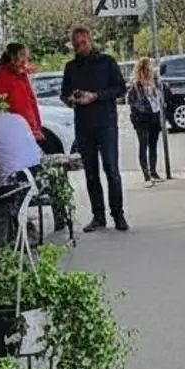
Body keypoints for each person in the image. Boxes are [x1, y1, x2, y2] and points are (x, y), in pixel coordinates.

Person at [60, 26, 127, 232]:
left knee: (111, 170)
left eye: (83, 42)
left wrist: (96, 96)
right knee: (91, 173)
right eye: (76, 44)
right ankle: (98, 216)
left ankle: (118, 215)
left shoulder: (106, 62)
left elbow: (120, 88)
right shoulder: (71, 67)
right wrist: (71, 99)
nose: (80, 47)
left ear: (90, 41)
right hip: (83, 125)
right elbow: (64, 93)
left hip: (106, 124)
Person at [0, 43, 44, 142]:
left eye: (26, 56)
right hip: (13, 128)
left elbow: (31, 103)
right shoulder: (0, 76)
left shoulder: (21, 75)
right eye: (22, 55)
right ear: (12, 56)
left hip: (27, 128)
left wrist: (36, 128)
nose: (25, 59)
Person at [128, 57, 166, 186]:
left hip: (154, 116)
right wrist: (137, 117)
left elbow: (160, 97)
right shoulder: (136, 85)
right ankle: (146, 176)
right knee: (143, 145)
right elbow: (133, 104)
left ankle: (153, 172)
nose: (154, 69)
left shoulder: (155, 82)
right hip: (142, 119)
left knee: (153, 145)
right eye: (151, 66)